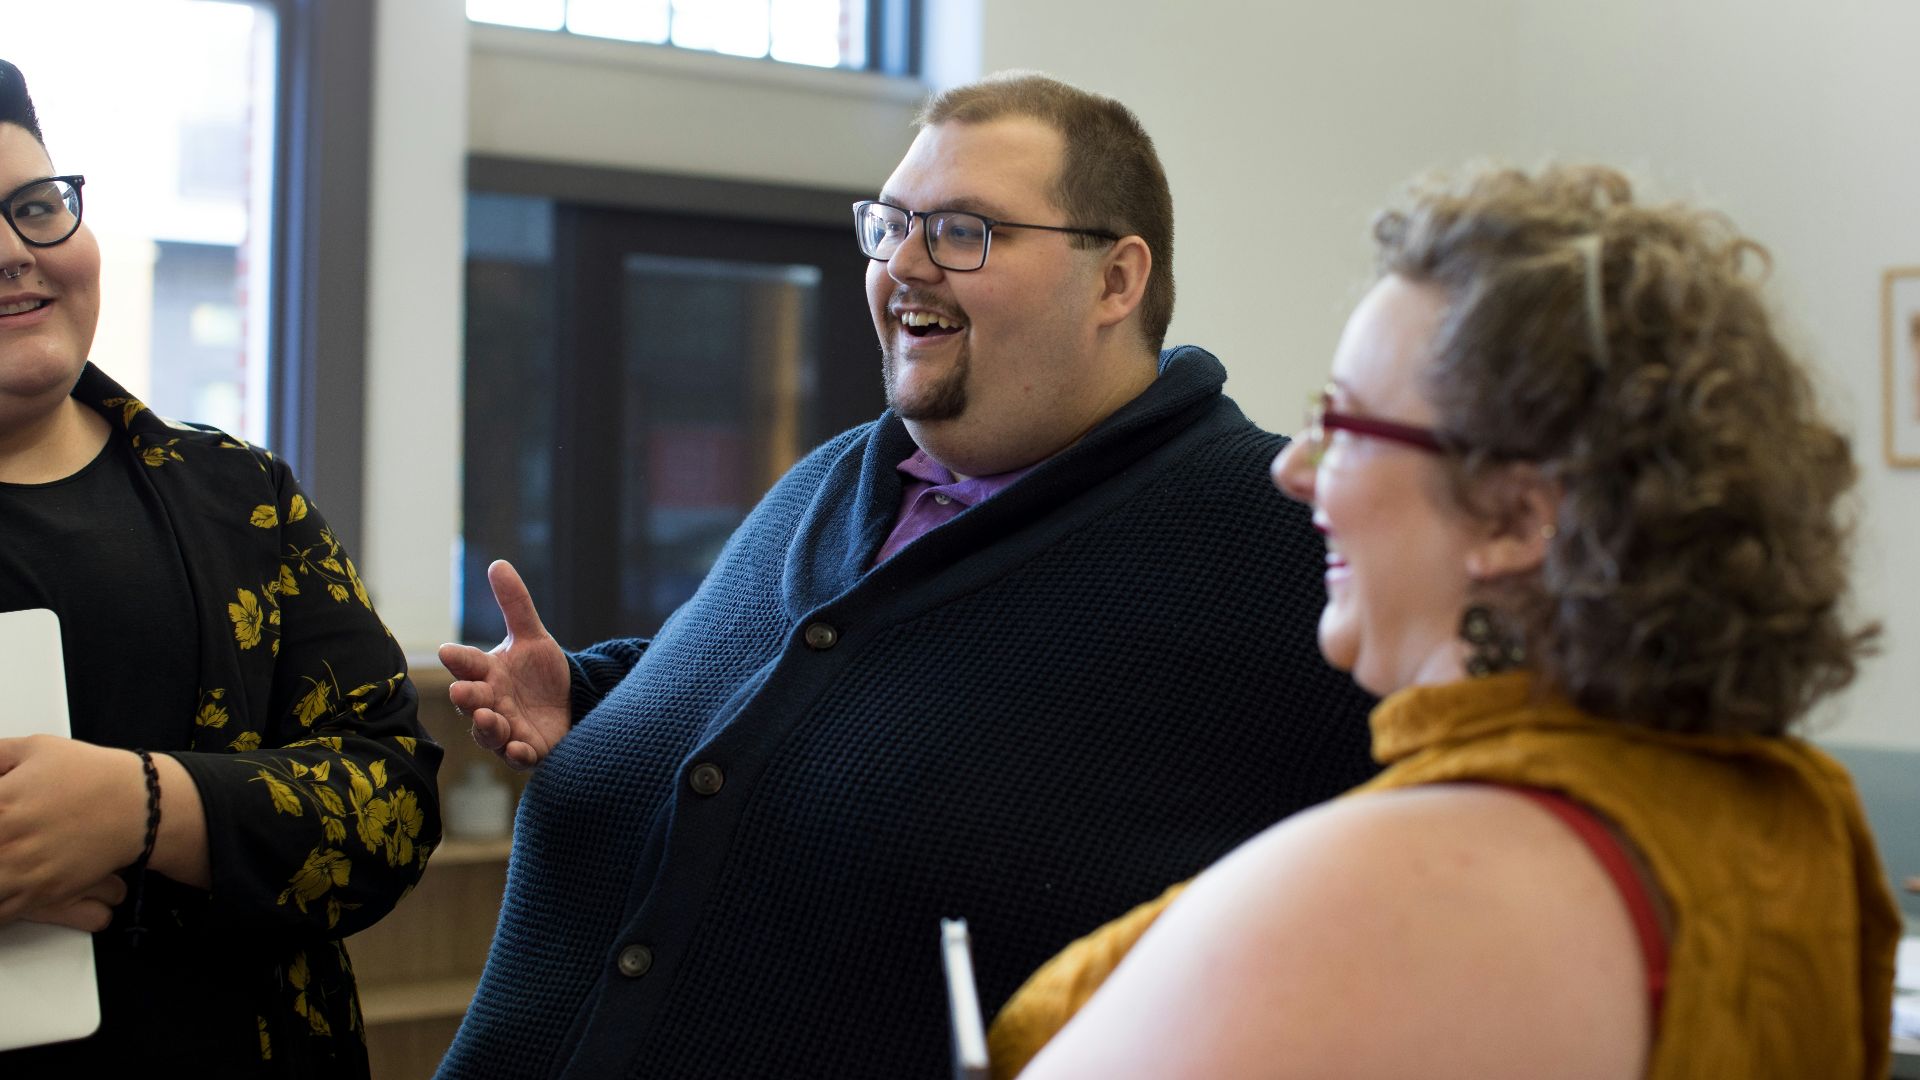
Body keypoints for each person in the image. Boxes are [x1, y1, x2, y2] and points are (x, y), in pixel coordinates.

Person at [435, 71, 1379, 1078]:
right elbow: (805, 700)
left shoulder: (1280, 535)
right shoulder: (838, 477)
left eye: (965, 230)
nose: (907, 265)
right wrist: (598, 700)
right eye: (891, 225)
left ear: (1117, 280)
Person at [987, 163, 1903, 1079]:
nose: (1293, 467)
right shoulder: (1785, 817)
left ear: (1513, 515)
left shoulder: (1396, 891)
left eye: (1346, 424)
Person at [0, 59, 442, 1077]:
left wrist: (142, 806)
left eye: (34, 206)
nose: (17, 254)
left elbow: (393, 801)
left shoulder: (241, 496)